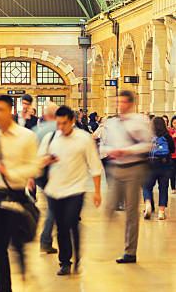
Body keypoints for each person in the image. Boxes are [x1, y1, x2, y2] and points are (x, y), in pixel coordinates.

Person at [0, 95, 42, 292]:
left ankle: (23, 267)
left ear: (10, 111)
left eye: (1, 109)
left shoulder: (26, 136)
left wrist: (12, 173)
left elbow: (35, 167)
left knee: (17, 243)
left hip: (15, 195)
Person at [39, 106, 102, 275]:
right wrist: (46, 161)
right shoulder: (50, 138)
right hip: (54, 190)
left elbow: (95, 166)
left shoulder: (83, 139)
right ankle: (65, 262)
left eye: (64, 123)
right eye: (58, 123)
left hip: (76, 189)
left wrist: (97, 191)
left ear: (72, 121)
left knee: (71, 223)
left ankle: (77, 256)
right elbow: (38, 161)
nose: (61, 127)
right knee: (61, 227)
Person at [100, 90, 152, 264]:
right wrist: (109, 152)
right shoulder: (112, 123)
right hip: (116, 169)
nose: (119, 105)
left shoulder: (140, 121)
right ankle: (105, 242)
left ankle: (130, 252)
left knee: (131, 212)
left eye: (123, 102)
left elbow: (147, 145)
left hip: (133, 169)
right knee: (109, 207)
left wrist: (127, 151)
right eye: (118, 102)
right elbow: (104, 145)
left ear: (130, 103)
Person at [32, 101, 59, 254]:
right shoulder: (60, 129)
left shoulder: (36, 130)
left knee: (54, 205)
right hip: (54, 173)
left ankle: (46, 239)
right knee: (54, 207)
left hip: (40, 174)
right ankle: (46, 240)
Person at [142, 117, 175, 220]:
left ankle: (148, 204)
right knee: (163, 188)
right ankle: (161, 212)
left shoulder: (148, 136)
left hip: (151, 165)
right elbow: (172, 149)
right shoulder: (167, 136)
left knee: (147, 186)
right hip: (165, 166)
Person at [169, 116, 176, 193]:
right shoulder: (170, 131)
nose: (175, 124)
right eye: (174, 123)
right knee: (172, 172)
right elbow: (171, 138)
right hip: (172, 155)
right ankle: (173, 188)